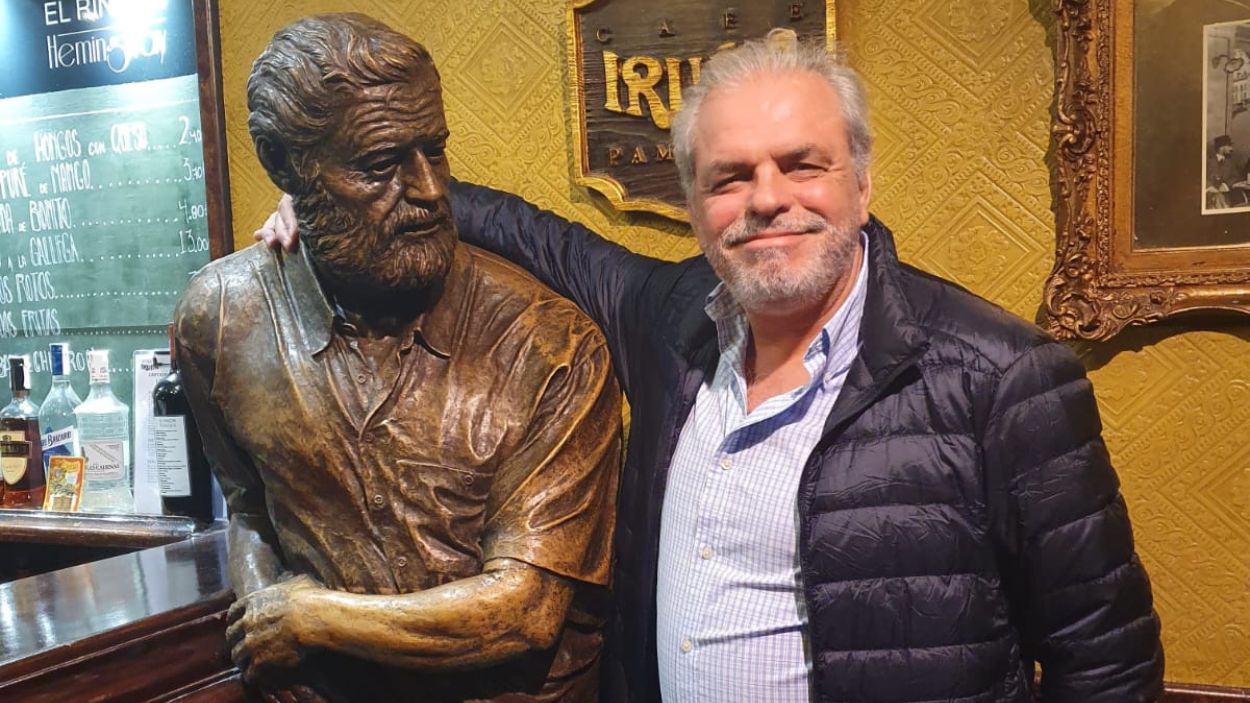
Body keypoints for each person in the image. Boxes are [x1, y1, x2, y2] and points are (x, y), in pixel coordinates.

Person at [258, 30, 1164, 703]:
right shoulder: (670, 320)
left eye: (802, 165)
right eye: (730, 177)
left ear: (861, 178)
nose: (767, 200)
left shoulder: (1002, 377)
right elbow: (548, 240)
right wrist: (344, 191)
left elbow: (1108, 665)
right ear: (692, 202)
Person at [179, 13, 621, 703]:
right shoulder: (220, 320)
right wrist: (270, 635)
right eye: (381, 164)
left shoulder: (548, 346)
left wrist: (307, 619)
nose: (429, 190)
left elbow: (524, 611)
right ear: (287, 169)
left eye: (435, 150)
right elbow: (250, 507)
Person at [1206, 134, 1250, 208]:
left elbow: (1235, 177)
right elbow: (1200, 176)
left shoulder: (1230, 163)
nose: (1232, 149)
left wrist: (1226, 185)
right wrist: (1209, 187)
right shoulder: (1207, 160)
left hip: (1226, 194)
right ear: (1222, 147)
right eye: (1230, 146)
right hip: (1208, 194)